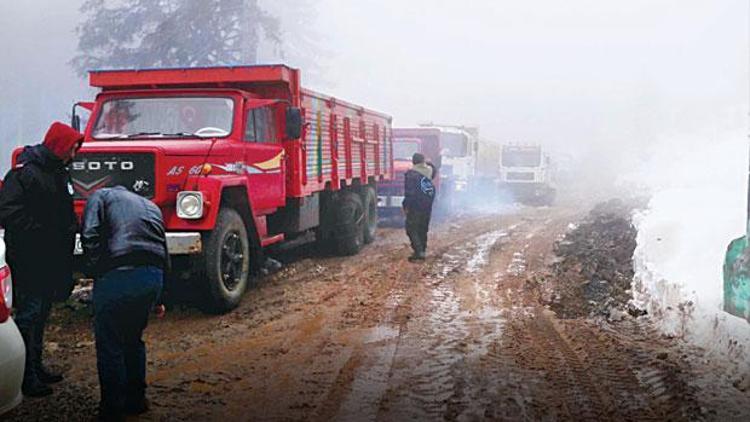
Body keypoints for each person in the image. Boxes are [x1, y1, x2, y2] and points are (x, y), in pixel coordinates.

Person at [0, 122, 82, 397]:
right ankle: (25, 375)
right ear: (59, 145)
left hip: (52, 258)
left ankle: (36, 366)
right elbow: (9, 212)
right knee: (29, 314)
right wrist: (42, 233)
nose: (75, 153)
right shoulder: (24, 174)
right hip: (29, 258)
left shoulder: (59, 173)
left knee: (42, 314)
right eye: (72, 147)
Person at [81, 186, 168, 420]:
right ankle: (136, 400)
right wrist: (160, 298)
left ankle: (112, 409)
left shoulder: (99, 196)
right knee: (133, 339)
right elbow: (163, 250)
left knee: (110, 344)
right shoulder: (151, 207)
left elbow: (89, 233)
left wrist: (94, 270)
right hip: (152, 278)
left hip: (118, 275)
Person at [403, 153, 436, 261]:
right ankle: (423, 249)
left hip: (416, 205)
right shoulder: (429, 171)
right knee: (423, 227)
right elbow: (434, 167)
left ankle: (419, 251)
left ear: (413, 161)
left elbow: (410, 193)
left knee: (411, 228)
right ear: (423, 161)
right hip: (428, 204)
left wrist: (405, 205)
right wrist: (428, 162)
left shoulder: (411, 174)